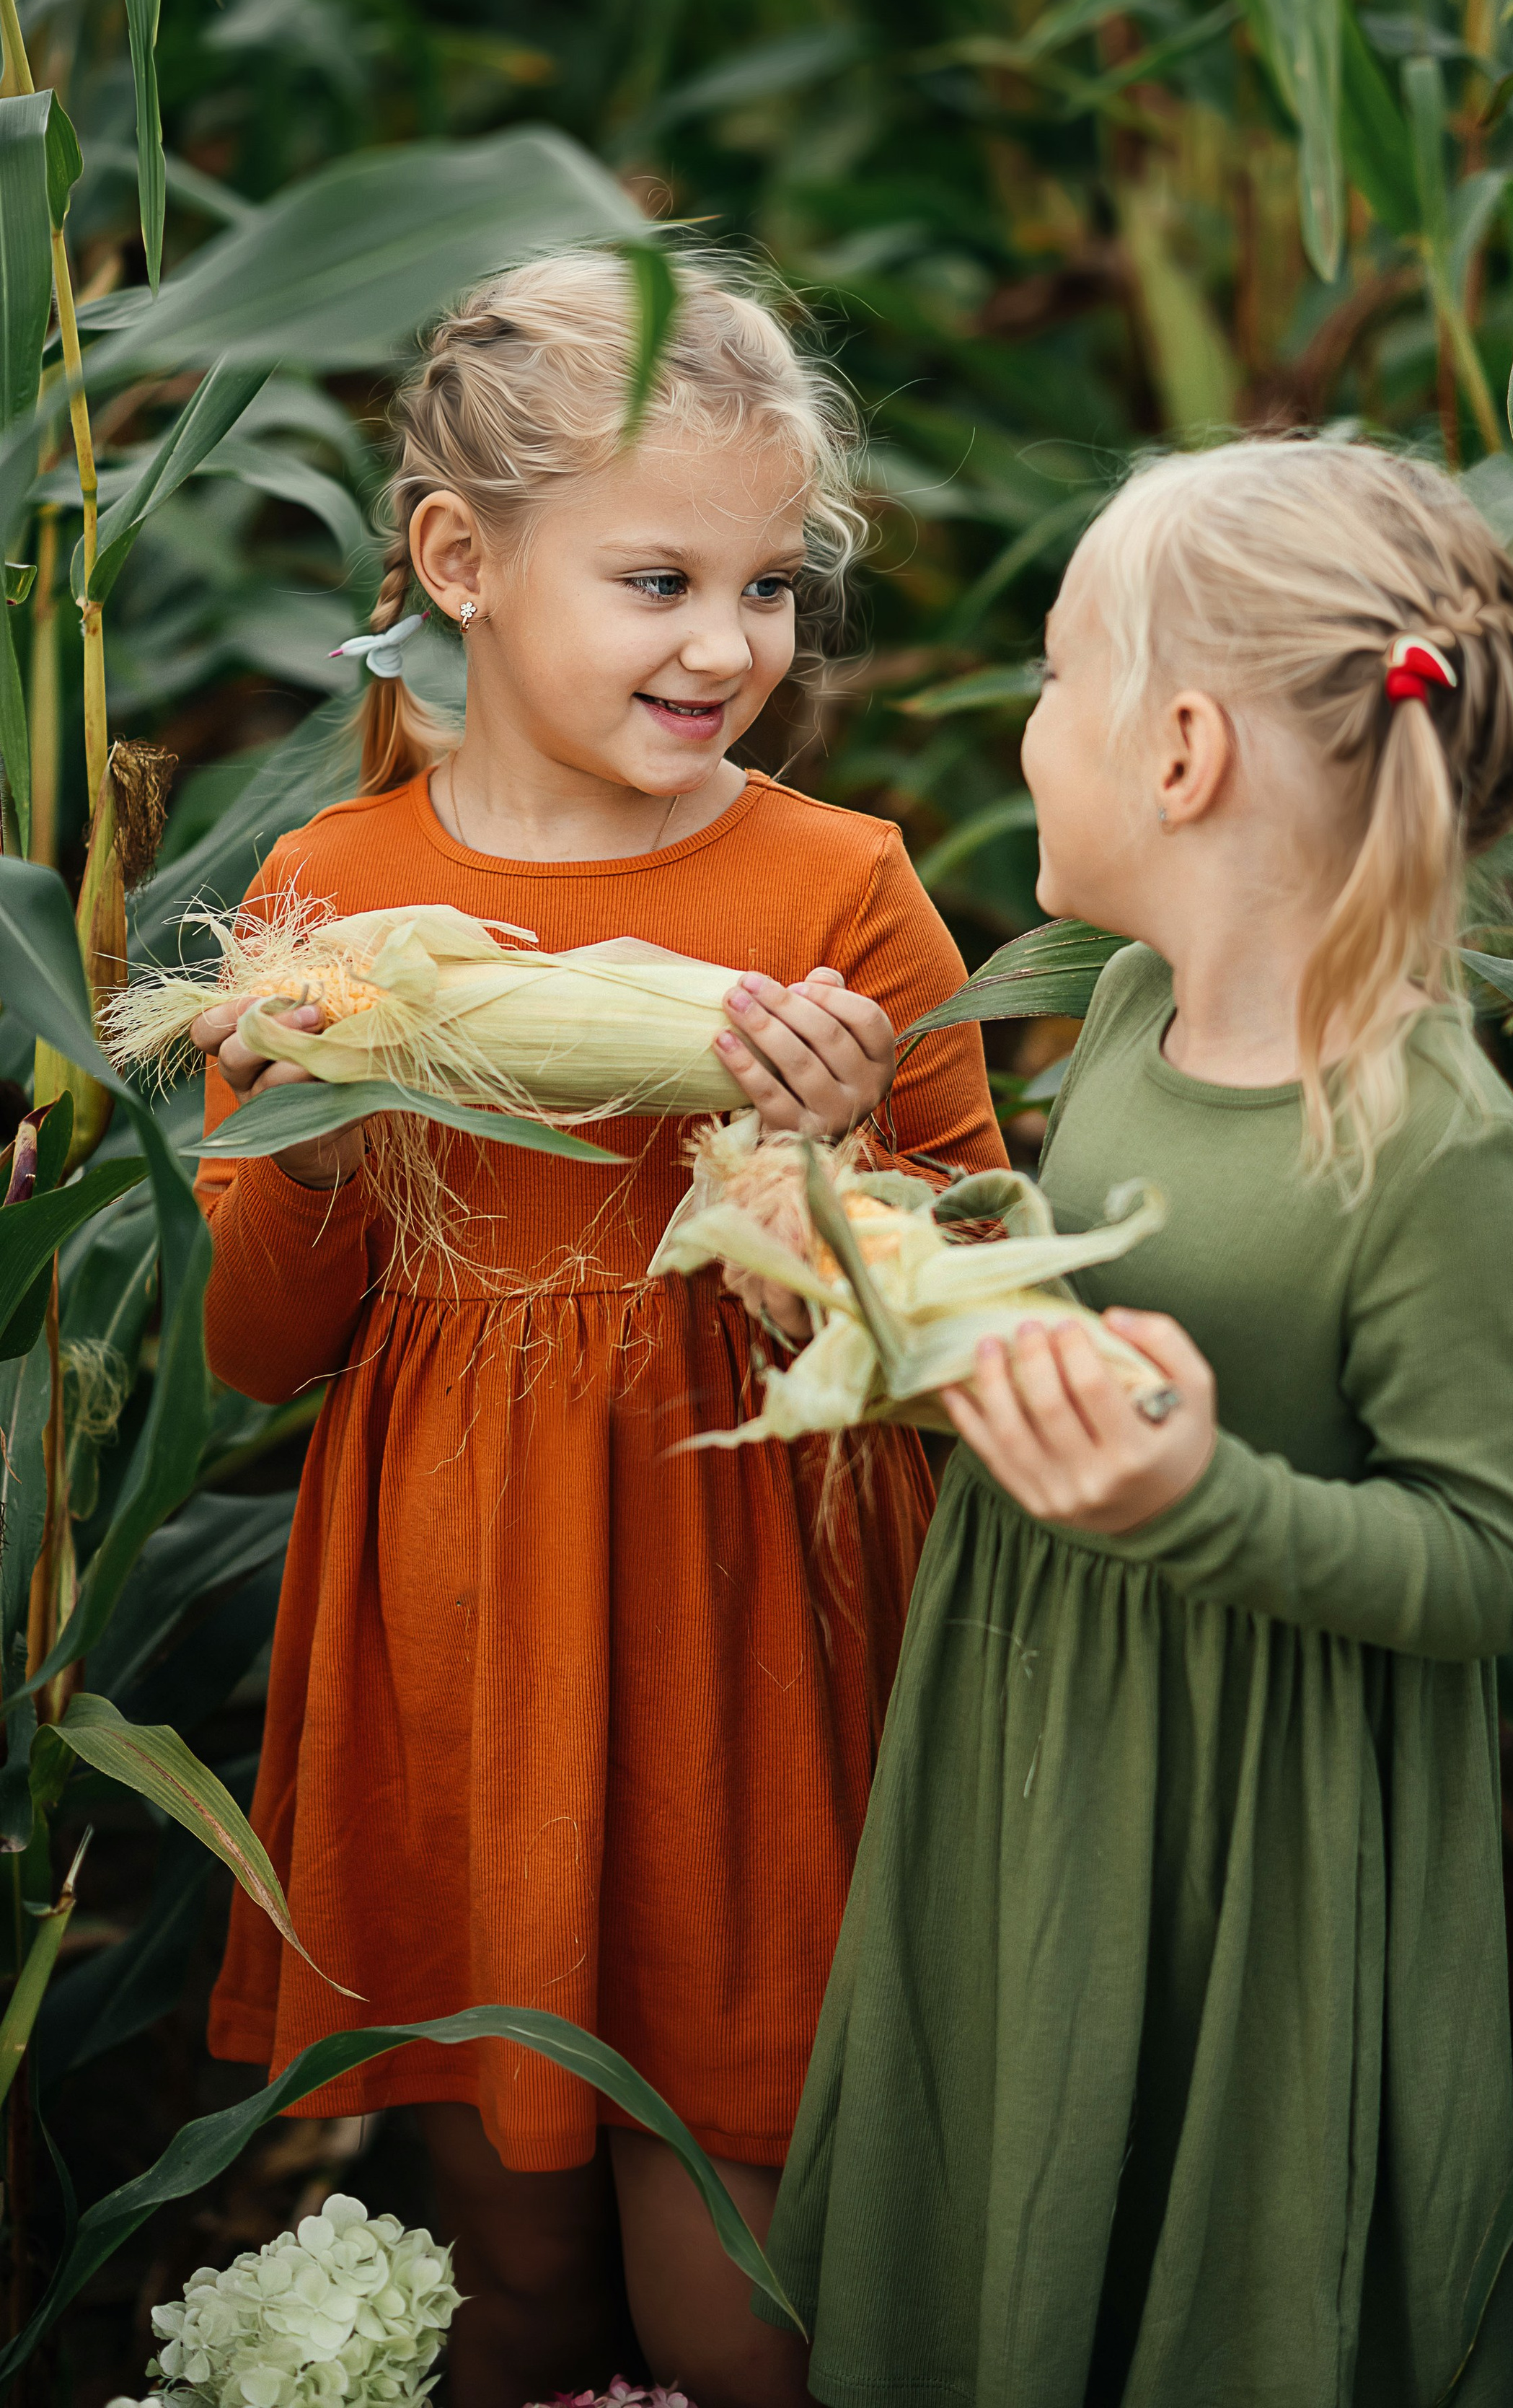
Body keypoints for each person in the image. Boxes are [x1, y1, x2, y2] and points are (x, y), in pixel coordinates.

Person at [190, 250, 1005, 2408]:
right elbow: (264, 1351)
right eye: (658, 581)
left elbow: (948, 1320)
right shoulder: (324, 892)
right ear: (463, 561)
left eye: (769, 588)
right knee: (513, 2283)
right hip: (460, 1640)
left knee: (741, 2297)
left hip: (748, 1635)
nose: (730, 646)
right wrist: (291, 1124)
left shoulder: (839, 890)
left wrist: (837, 1172)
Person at [762, 438, 1513, 2408]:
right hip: (1035, 1735)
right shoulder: (1130, 1014)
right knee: (1009, 2203)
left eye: (1053, 677)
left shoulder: (1435, 1150)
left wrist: (1206, 1498)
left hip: (1247, 1836)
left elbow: (1487, 1567)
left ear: (1185, 751)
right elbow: (1068, 1333)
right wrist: (856, 1203)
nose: (1030, 725)